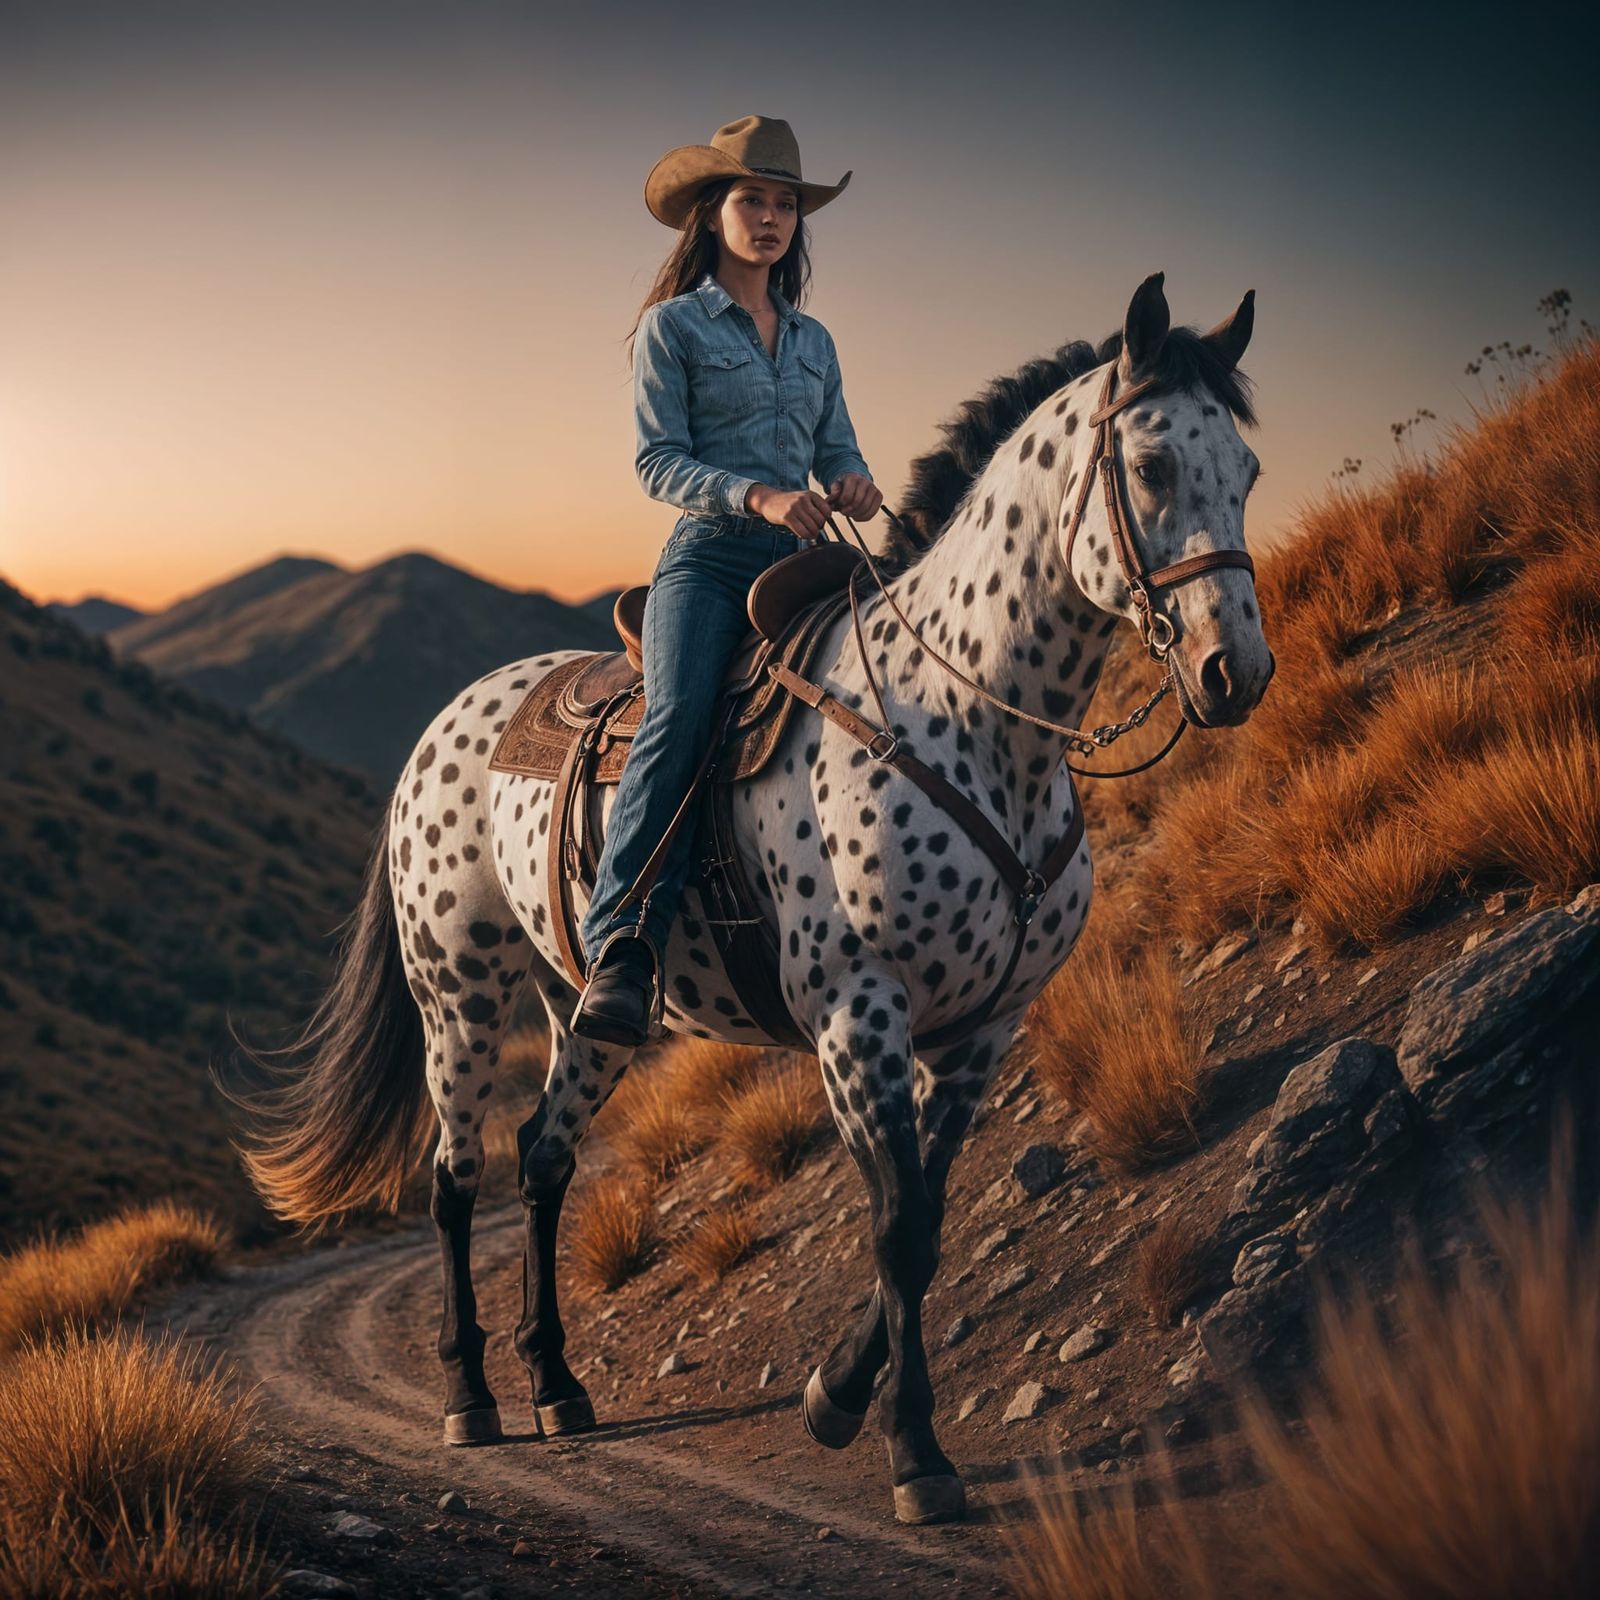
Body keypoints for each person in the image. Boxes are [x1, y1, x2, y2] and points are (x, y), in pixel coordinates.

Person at [570, 114, 882, 1045]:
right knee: (679, 717)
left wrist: (853, 482)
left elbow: (836, 447)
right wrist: (759, 496)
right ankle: (623, 945)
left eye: (787, 203)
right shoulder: (671, 327)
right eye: (754, 200)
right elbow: (657, 461)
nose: (773, 218)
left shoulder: (815, 340)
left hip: (807, 563)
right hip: (710, 558)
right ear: (713, 212)